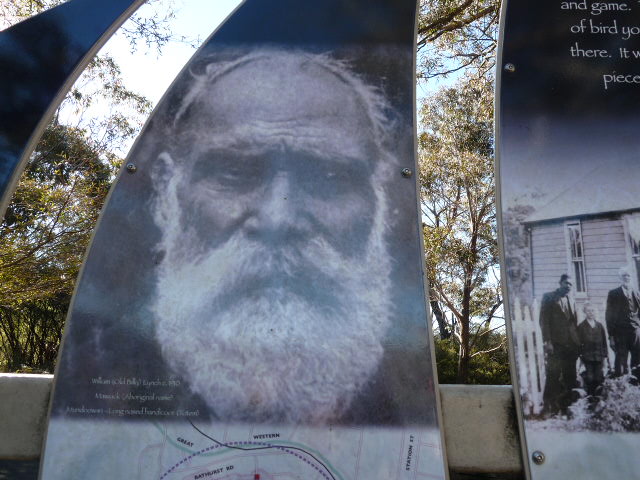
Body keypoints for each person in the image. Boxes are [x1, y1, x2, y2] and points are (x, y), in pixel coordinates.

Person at [146, 49, 410, 425]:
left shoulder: (405, 405)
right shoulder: (102, 374)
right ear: (166, 191)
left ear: (380, 199)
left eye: (329, 179)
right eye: (234, 173)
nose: (278, 218)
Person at [539, 274, 579, 416]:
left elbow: (574, 323)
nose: (568, 286)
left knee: (570, 377)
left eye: (571, 285)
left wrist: (578, 344)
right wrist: (547, 341)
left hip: (571, 345)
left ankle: (566, 408)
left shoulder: (572, 299)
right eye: (566, 283)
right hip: (555, 344)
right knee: (553, 375)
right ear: (560, 283)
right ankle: (548, 408)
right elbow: (544, 321)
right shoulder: (549, 297)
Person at [605, 266, 640, 376]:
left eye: (628, 275)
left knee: (637, 357)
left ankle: (636, 383)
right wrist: (611, 336)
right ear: (620, 278)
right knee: (621, 360)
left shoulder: (636, 293)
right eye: (624, 276)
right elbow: (609, 316)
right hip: (620, 332)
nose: (626, 278)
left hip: (635, 331)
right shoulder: (613, 294)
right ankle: (621, 385)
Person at [577, 303, 608, 397]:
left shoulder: (599, 326)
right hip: (587, 357)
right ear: (585, 312)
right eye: (588, 311)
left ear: (595, 312)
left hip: (599, 356)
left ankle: (598, 398)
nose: (591, 313)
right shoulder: (581, 326)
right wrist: (581, 356)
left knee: (599, 377)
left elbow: (604, 342)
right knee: (590, 378)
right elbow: (579, 343)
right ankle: (590, 397)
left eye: (592, 310)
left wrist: (605, 356)